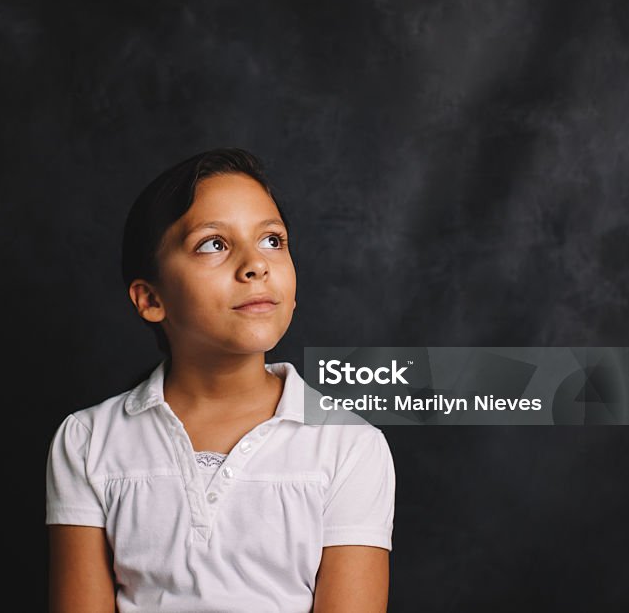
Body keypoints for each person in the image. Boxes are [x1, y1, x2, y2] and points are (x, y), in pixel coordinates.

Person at [46, 148, 395, 612]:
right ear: (151, 299)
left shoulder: (349, 446)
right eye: (213, 244)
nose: (255, 265)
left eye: (272, 240)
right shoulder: (87, 441)